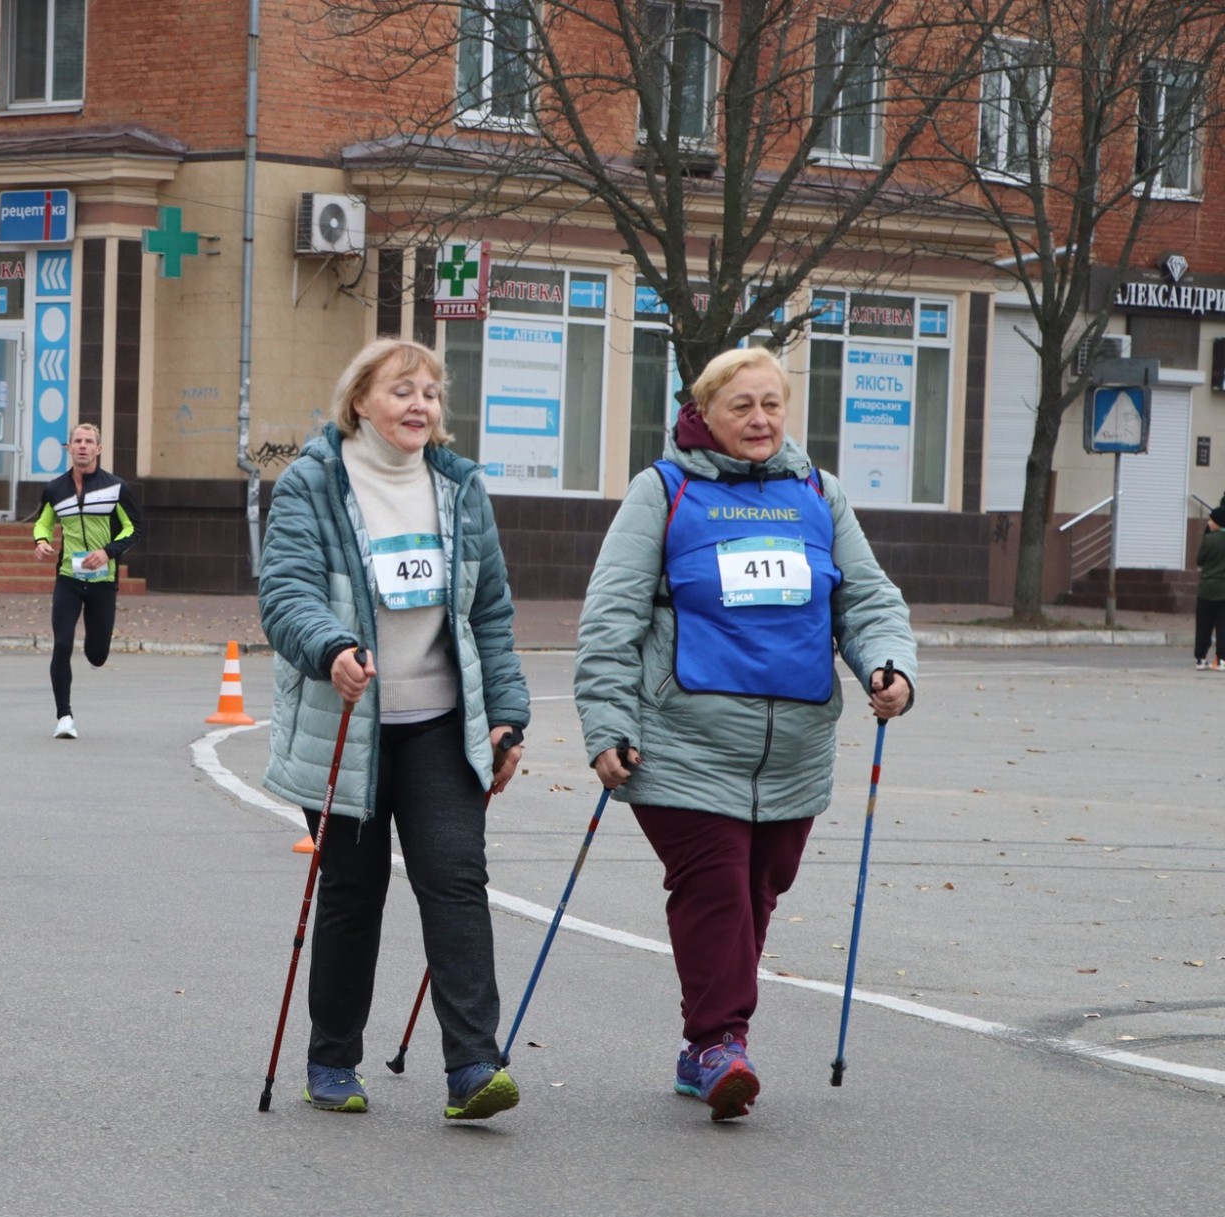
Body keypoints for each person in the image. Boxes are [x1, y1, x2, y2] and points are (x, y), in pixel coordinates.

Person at [574, 346, 915, 1122]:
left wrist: (888, 665)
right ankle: (718, 1042)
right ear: (704, 412)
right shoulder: (664, 490)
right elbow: (610, 621)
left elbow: (867, 601)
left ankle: (707, 1042)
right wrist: (608, 725)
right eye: (741, 406)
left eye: (772, 404)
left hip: (794, 748)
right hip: (682, 743)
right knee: (717, 888)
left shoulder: (818, 492)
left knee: (761, 888)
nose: (760, 420)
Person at [260, 337, 530, 1121]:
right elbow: (286, 593)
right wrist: (331, 647)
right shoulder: (314, 482)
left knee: (456, 876)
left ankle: (474, 1063)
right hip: (348, 720)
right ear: (359, 402)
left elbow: (490, 613)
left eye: (431, 393)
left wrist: (506, 714)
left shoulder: (459, 487)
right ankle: (332, 1057)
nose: (421, 405)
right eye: (402, 390)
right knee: (354, 888)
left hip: (439, 720)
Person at [32, 423, 140, 739]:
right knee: (62, 644)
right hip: (68, 578)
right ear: (69, 448)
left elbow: (134, 528)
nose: (82, 446)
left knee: (97, 654)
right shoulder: (55, 489)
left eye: (88, 441)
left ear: (98, 449)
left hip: (103, 581)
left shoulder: (116, 488)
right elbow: (43, 522)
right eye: (77, 441)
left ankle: (95, 652)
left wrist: (107, 552)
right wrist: (41, 541)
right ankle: (64, 716)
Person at [1194, 507, 1225, 669]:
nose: (1209, 522)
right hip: (1223, 591)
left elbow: (1200, 560)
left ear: (1218, 522)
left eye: (1212, 520)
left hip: (1206, 589)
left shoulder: (1208, 539)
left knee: (1203, 626)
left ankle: (1200, 658)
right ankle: (1221, 660)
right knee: (1222, 626)